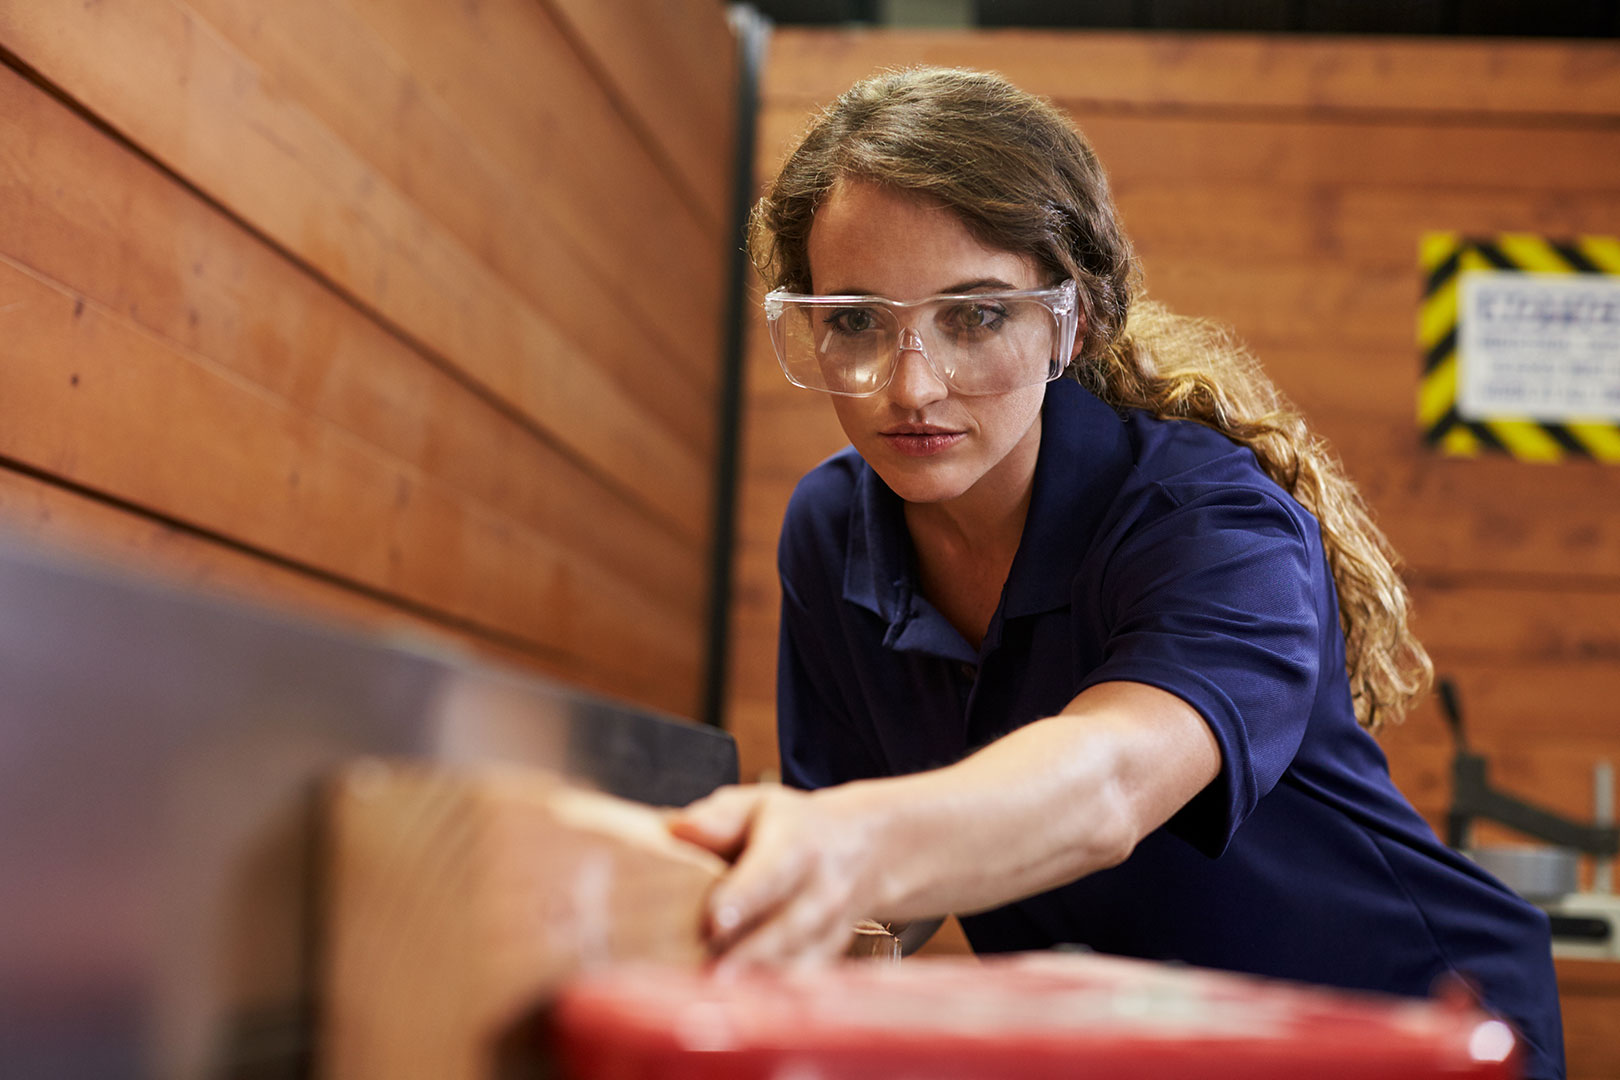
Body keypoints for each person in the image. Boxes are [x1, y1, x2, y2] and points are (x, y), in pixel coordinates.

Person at [667, 68, 1564, 1078]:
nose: (911, 386)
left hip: (1413, 1029)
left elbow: (1107, 786)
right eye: (858, 321)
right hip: (1138, 1049)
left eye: (977, 316)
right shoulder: (830, 532)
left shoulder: (1214, 521)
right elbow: (880, 888)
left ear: (1071, 322)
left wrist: (839, 845)